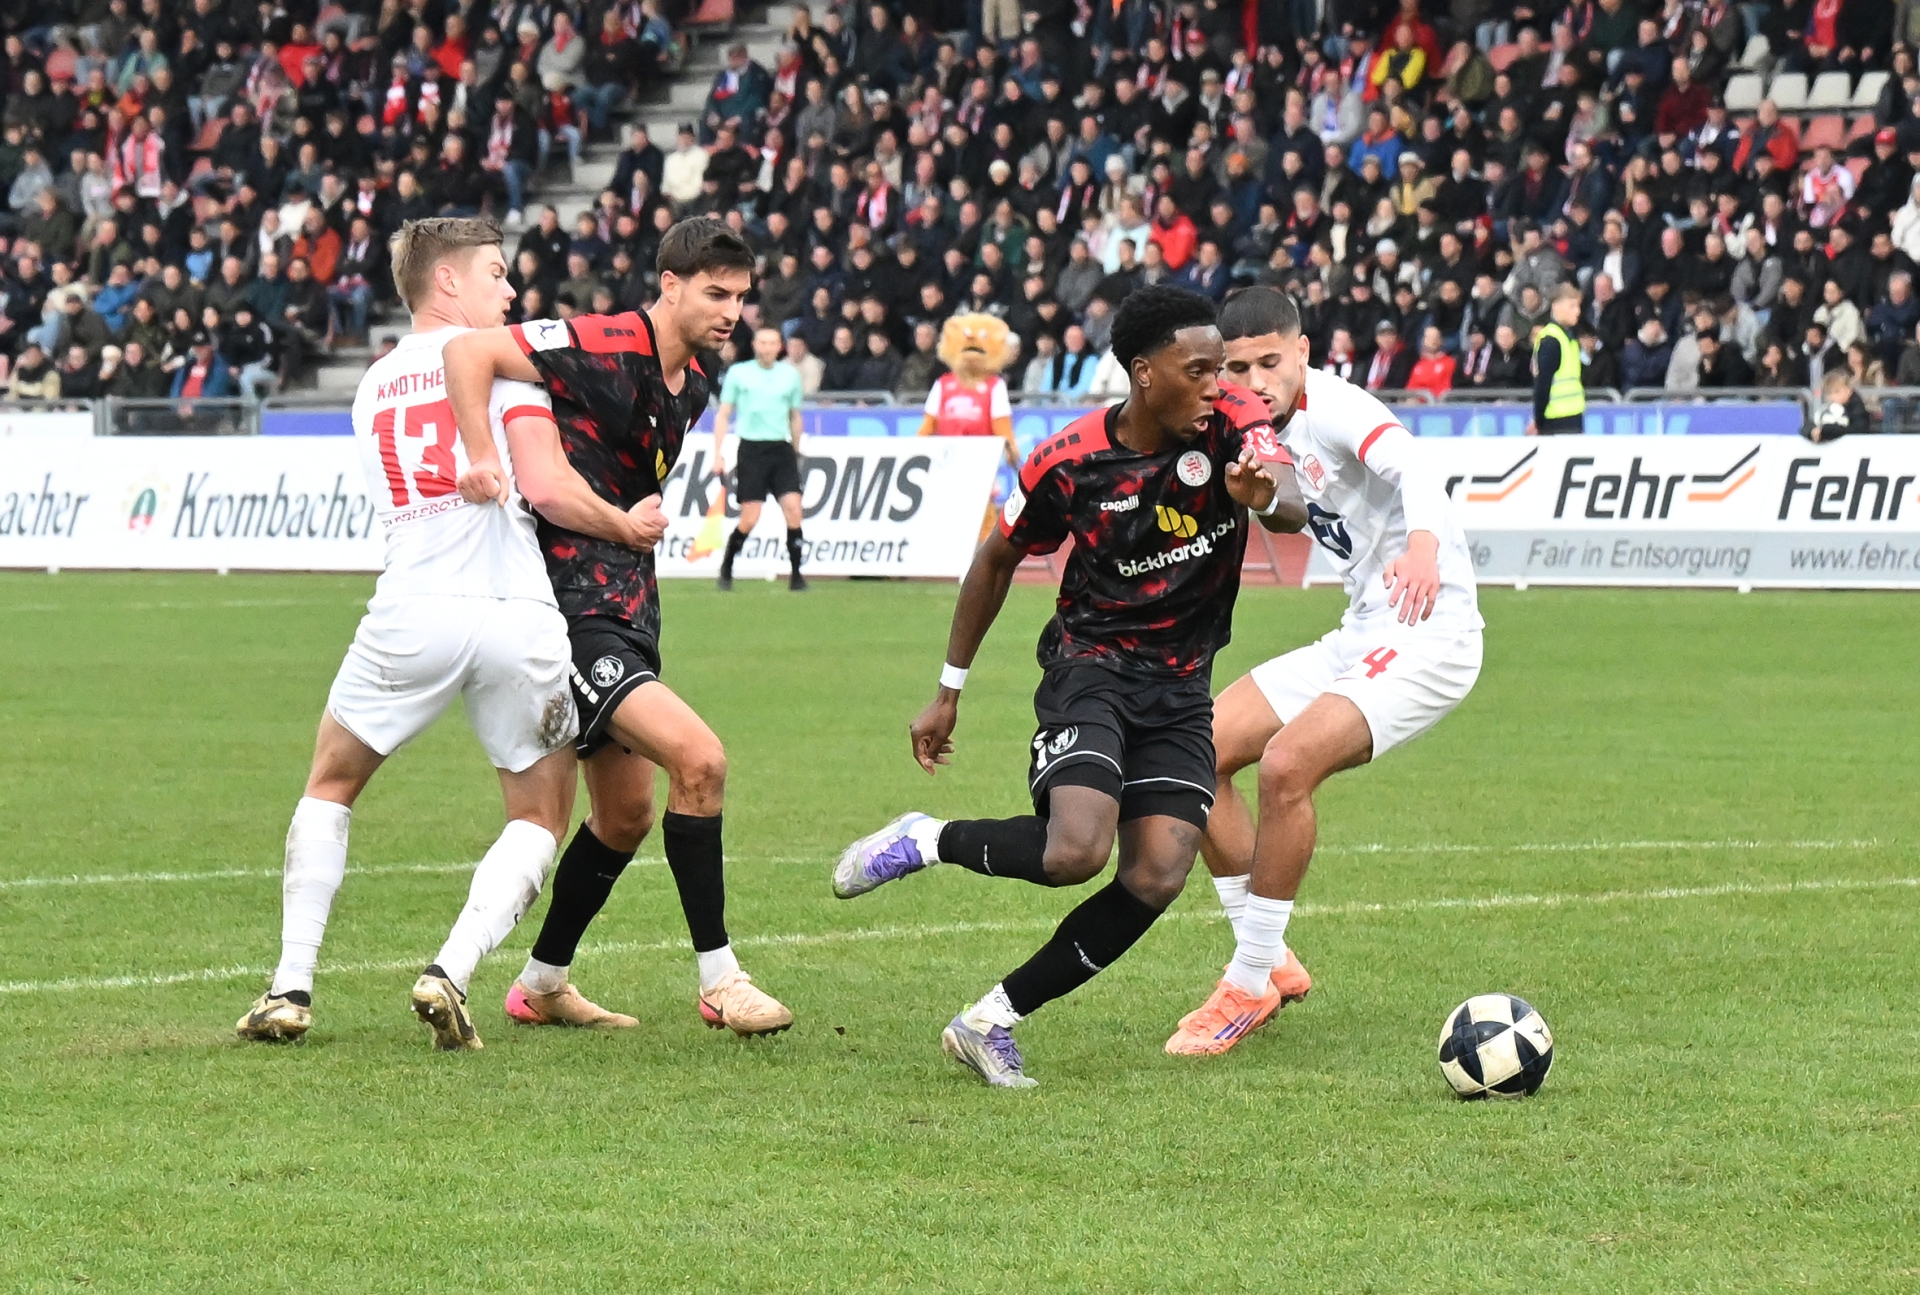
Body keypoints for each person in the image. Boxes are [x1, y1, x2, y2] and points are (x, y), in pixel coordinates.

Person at [830, 286, 1308, 1088]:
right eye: (1197, 370)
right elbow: (996, 559)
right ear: (1144, 372)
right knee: (1074, 851)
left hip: (1182, 688)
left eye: (1220, 369)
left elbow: (1287, 500)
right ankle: (926, 837)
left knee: (1157, 874)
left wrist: (1267, 497)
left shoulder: (1234, 420)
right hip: (1093, 670)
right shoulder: (1068, 459)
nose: (1217, 385)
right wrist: (949, 688)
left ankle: (990, 1020)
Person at [236, 217, 665, 1049]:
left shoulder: (372, 385)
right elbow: (545, 485)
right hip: (517, 609)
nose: (511, 290)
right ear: (447, 281)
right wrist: (625, 523)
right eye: (497, 273)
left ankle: (289, 985)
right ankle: (451, 971)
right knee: (539, 814)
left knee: (331, 782)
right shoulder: (507, 366)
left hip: (412, 605)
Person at [444, 219, 794, 1038]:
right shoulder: (601, 342)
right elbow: (468, 352)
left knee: (627, 814)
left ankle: (541, 983)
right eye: (715, 293)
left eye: (740, 297)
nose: (731, 311)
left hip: (630, 609)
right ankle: (722, 980)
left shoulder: (696, 383)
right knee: (700, 760)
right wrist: (481, 454)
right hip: (571, 611)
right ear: (669, 285)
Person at [1163, 286, 1483, 1056]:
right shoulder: (1245, 424)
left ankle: (1246, 983)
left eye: (1271, 362)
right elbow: (1295, 511)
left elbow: (1413, 464)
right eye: (1240, 368)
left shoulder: (1337, 406)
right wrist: (1254, 500)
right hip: (1363, 627)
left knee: (1286, 764)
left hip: (1430, 629)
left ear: (1303, 352)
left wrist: (1425, 547)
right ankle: (1271, 959)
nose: (1257, 380)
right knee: (1192, 751)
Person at [714, 325, 808, 592]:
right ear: (755, 345)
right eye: (762, 343)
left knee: (794, 509)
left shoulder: (790, 375)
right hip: (752, 449)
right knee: (750, 517)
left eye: (772, 343)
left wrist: (797, 448)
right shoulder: (739, 373)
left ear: (780, 347)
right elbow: (724, 414)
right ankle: (727, 566)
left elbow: (794, 415)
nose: (767, 348)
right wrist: (718, 453)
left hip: (781, 448)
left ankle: (797, 575)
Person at [1527, 283, 1586, 435]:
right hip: (1555, 420)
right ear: (1556, 306)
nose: (1577, 311)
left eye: (1578, 306)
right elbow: (1542, 384)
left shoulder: (1569, 338)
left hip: (1573, 416)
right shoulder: (1551, 340)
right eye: (1572, 306)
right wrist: (1539, 421)